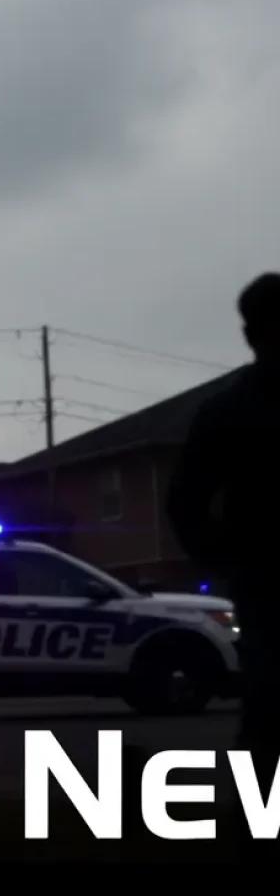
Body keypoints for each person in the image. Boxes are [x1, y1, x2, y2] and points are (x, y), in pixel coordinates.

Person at [167, 272, 280, 850]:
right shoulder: (230, 412)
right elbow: (185, 501)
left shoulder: (226, 411)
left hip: (260, 582)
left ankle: (254, 825)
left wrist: (220, 559)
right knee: (267, 711)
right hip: (265, 584)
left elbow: (185, 501)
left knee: (267, 709)